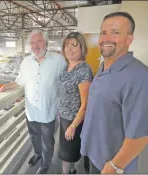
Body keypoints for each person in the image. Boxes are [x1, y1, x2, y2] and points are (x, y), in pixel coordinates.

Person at [80, 12, 148, 174]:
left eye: (115, 32)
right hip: (94, 155)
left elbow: (141, 134)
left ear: (129, 39)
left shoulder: (141, 79)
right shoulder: (103, 68)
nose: (106, 38)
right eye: (103, 33)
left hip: (111, 165)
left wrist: (115, 166)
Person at [0, 29, 66, 174]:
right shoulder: (26, 61)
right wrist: (6, 86)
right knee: (34, 136)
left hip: (48, 110)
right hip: (31, 110)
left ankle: (46, 163)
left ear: (46, 43)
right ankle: (37, 155)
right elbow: (20, 81)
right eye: (32, 43)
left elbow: (65, 81)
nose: (35, 46)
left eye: (39, 42)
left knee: (47, 140)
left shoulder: (58, 60)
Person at [57, 32, 93, 174]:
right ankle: (71, 171)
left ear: (82, 48)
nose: (69, 49)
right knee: (66, 154)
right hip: (64, 118)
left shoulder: (83, 70)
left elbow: (85, 104)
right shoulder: (66, 67)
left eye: (74, 45)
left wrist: (73, 126)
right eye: (66, 45)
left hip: (73, 121)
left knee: (67, 156)